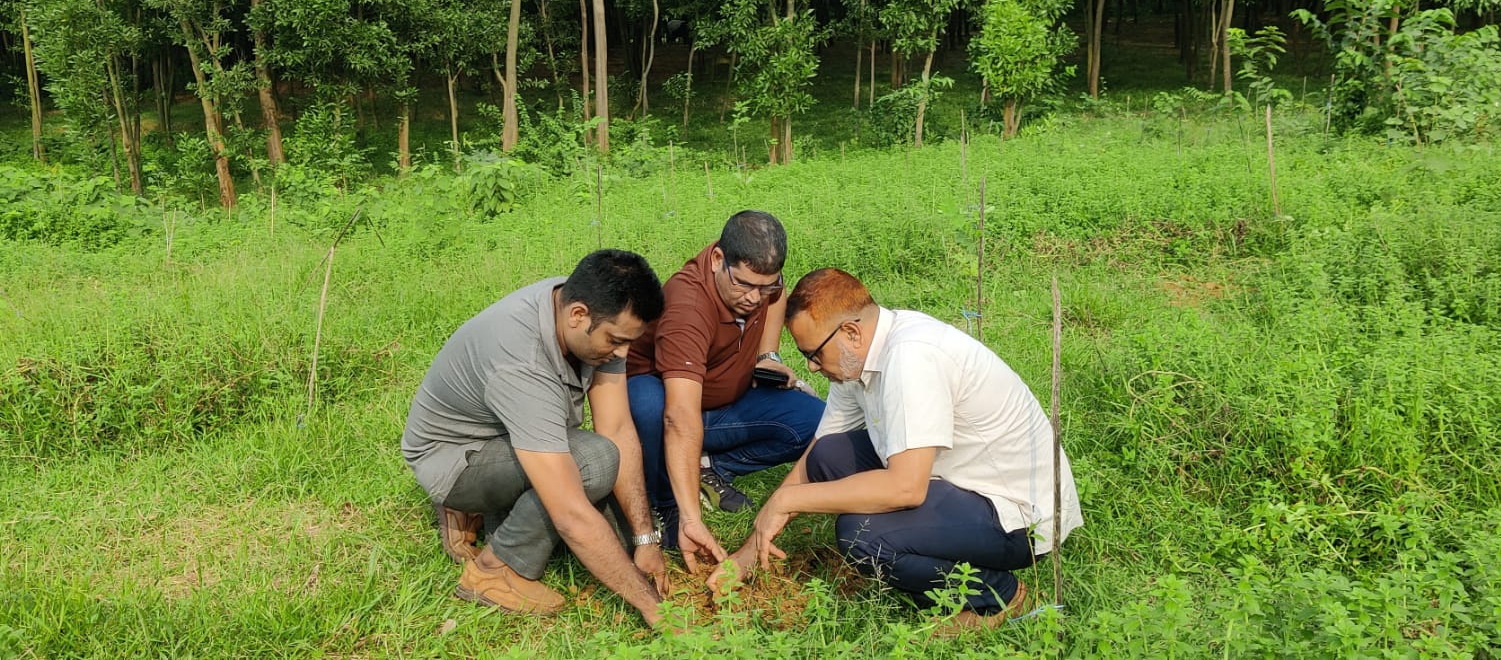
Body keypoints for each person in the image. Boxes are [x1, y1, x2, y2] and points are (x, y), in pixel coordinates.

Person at [719, 267, 1083, 633]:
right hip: (957, 479)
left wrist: (786, 502)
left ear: (850, 332)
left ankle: (998, 595)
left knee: (862, 535)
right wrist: (750, 549)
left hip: (1017, 514)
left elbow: (906, 488)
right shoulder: (855, 358)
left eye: (813, 354)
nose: (812, 367)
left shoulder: (911, 358)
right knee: (828, 455)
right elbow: (817, 452)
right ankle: (932, 555)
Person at [401, 249, 670, 627]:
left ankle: (496, 518)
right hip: (455, 459)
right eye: (616, 340)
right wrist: (653, 607)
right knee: (594, 463)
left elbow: (618, 428)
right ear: (578, 315)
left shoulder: (584, 306)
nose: (622, 353)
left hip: (508, 435)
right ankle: (496, 569)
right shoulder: (521, 359)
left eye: (629, 341)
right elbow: (571, 515)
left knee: (620, 540)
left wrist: (646, 539)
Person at [625, 210, 824, 571]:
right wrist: (690, 518)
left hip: (724, 402)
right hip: (670, 406)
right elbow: (679, 417)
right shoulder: (687, 308)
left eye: (766, 286)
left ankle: (707, 466)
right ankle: (667, 501)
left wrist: (768, 354)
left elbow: (777, 296)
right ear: (718, 260)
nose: (754, 298)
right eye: (745, 285)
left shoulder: (762, 284)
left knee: (814, 420)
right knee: (650, 406)